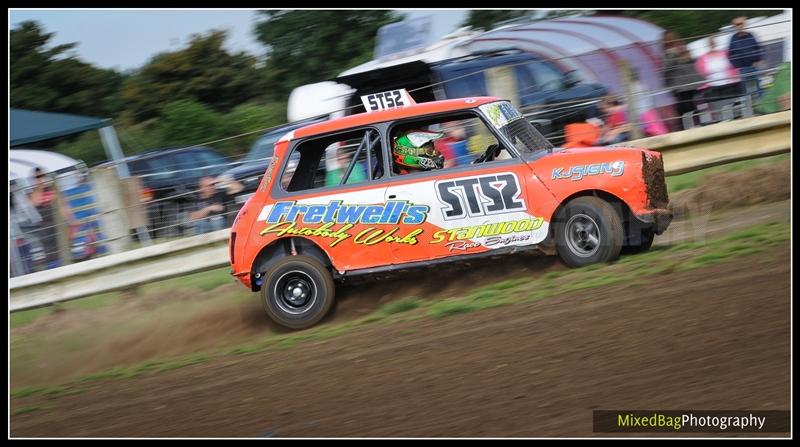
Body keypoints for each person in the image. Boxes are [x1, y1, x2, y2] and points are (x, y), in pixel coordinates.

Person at [695, 35, 744, 119]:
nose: (712, 43)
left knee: (734, 109)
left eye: (713, 41)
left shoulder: (725, 53)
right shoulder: (702, 58)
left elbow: (735, 66)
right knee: (719, 112)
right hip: (713, 88)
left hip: (730, 85)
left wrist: (737, 76)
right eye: (710, 42)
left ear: (716, 42)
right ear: (707, 44)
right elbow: (700, 73)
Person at [663, 30, 704, 128]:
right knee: (687, 106)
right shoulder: (670, 52)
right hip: (682, 85)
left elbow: (689, 62)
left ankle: (693, 125)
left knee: (689, 106)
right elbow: (668, 68)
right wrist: (677, 56)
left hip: (685, 84)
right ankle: (690, 125)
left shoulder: (678, 49)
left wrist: (685, 56)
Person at [728, 16, 765, 100]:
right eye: (736, 25)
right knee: (746, 91)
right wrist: (737, 67)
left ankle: (761, 106)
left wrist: (759, 60)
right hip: (743, 69)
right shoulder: (732, 39)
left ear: (745, 24)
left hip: (754, 67)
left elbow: (758, 48)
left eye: (740, 23)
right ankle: (750, 108)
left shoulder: (751, 35)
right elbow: (730, 55)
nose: (738, 26)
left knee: (759, 89)